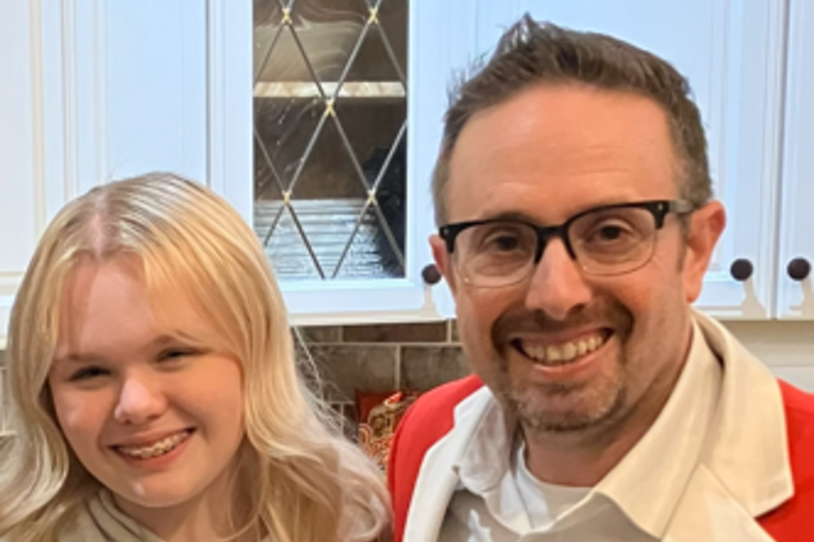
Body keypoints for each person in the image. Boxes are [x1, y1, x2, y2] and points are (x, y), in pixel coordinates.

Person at [388, 15, 814, 542]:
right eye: (504, 241)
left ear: (697, 249)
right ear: (452, 270)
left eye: (610, 232)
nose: (556, 295)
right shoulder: (427, 439)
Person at [0, 173, 391, 542]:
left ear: (257, 347)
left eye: (173, 354)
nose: (136, 405)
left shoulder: (356, 521)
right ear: (46, 393)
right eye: (90, 372)